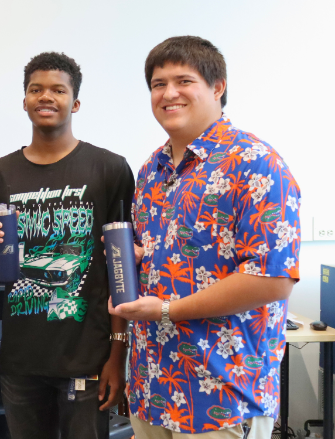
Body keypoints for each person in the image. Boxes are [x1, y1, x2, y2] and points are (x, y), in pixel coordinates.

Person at [110, 36, 301, 438]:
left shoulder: (255, 163)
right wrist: (133, 263)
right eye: (158, 84)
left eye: (183, 80)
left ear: (218, 87)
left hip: (222, 395)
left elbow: (273, 279)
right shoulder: (151, 171)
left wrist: (166, 310)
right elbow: (176, 258)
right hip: (153, 386)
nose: (169, 93)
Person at [0, 52, 133, 439]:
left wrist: (118, 355)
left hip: (88, 356)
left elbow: (123, 271)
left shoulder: (110, 169)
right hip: (21, 359)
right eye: (36, 89)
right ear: (25, 100)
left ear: (75, 102)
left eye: (58, 90)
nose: (45, 97)